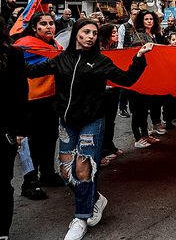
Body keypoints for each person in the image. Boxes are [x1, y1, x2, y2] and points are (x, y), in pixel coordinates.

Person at [25, 18, 153, 240]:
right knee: (66, 172)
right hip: (66, 123)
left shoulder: (101, 61)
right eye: (86, 31)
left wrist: (139, 56)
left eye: (94, 32)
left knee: (83, 170)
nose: (92, 36)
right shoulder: (60, 59)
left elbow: (127, 79)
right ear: (77, 34)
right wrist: (10, 52)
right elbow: (30, 71)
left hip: (92, 121)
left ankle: (81, 218)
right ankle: (95, 200)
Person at [14, 12, 66, 200]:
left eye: (51, 23)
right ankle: (29, 182)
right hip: (30, 99)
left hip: (50, 98)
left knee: (50, 137)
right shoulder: (23, 45)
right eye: (43, 24)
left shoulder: (55, 45)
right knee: (31, 142)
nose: (49, 27)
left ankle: (47, 174)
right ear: (34, 28)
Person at [0, 16, 29, 240]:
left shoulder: (14, 54)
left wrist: (21, 130)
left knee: (2, 183)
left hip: (4, 129)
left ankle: (2, 231)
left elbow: (21, 94)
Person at [129, 10, 167, 136]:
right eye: (146, 19)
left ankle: (156, 123)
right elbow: (136, 51)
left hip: (156, 70)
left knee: (156, 99)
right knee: (144, 103)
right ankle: (143, 128)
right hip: (144, 70)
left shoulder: (157, 34)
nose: (149, 21)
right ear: (141, 21)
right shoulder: (138, 34)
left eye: (151, 19)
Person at [98, 24, 125, 166]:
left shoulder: (114, 49)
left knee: (111, 121)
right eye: (114, 32)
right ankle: (101, 151)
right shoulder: (100, 51)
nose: (117, 34)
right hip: (104, 90)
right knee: (103, 122)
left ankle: (109, 145)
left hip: (115, 88)